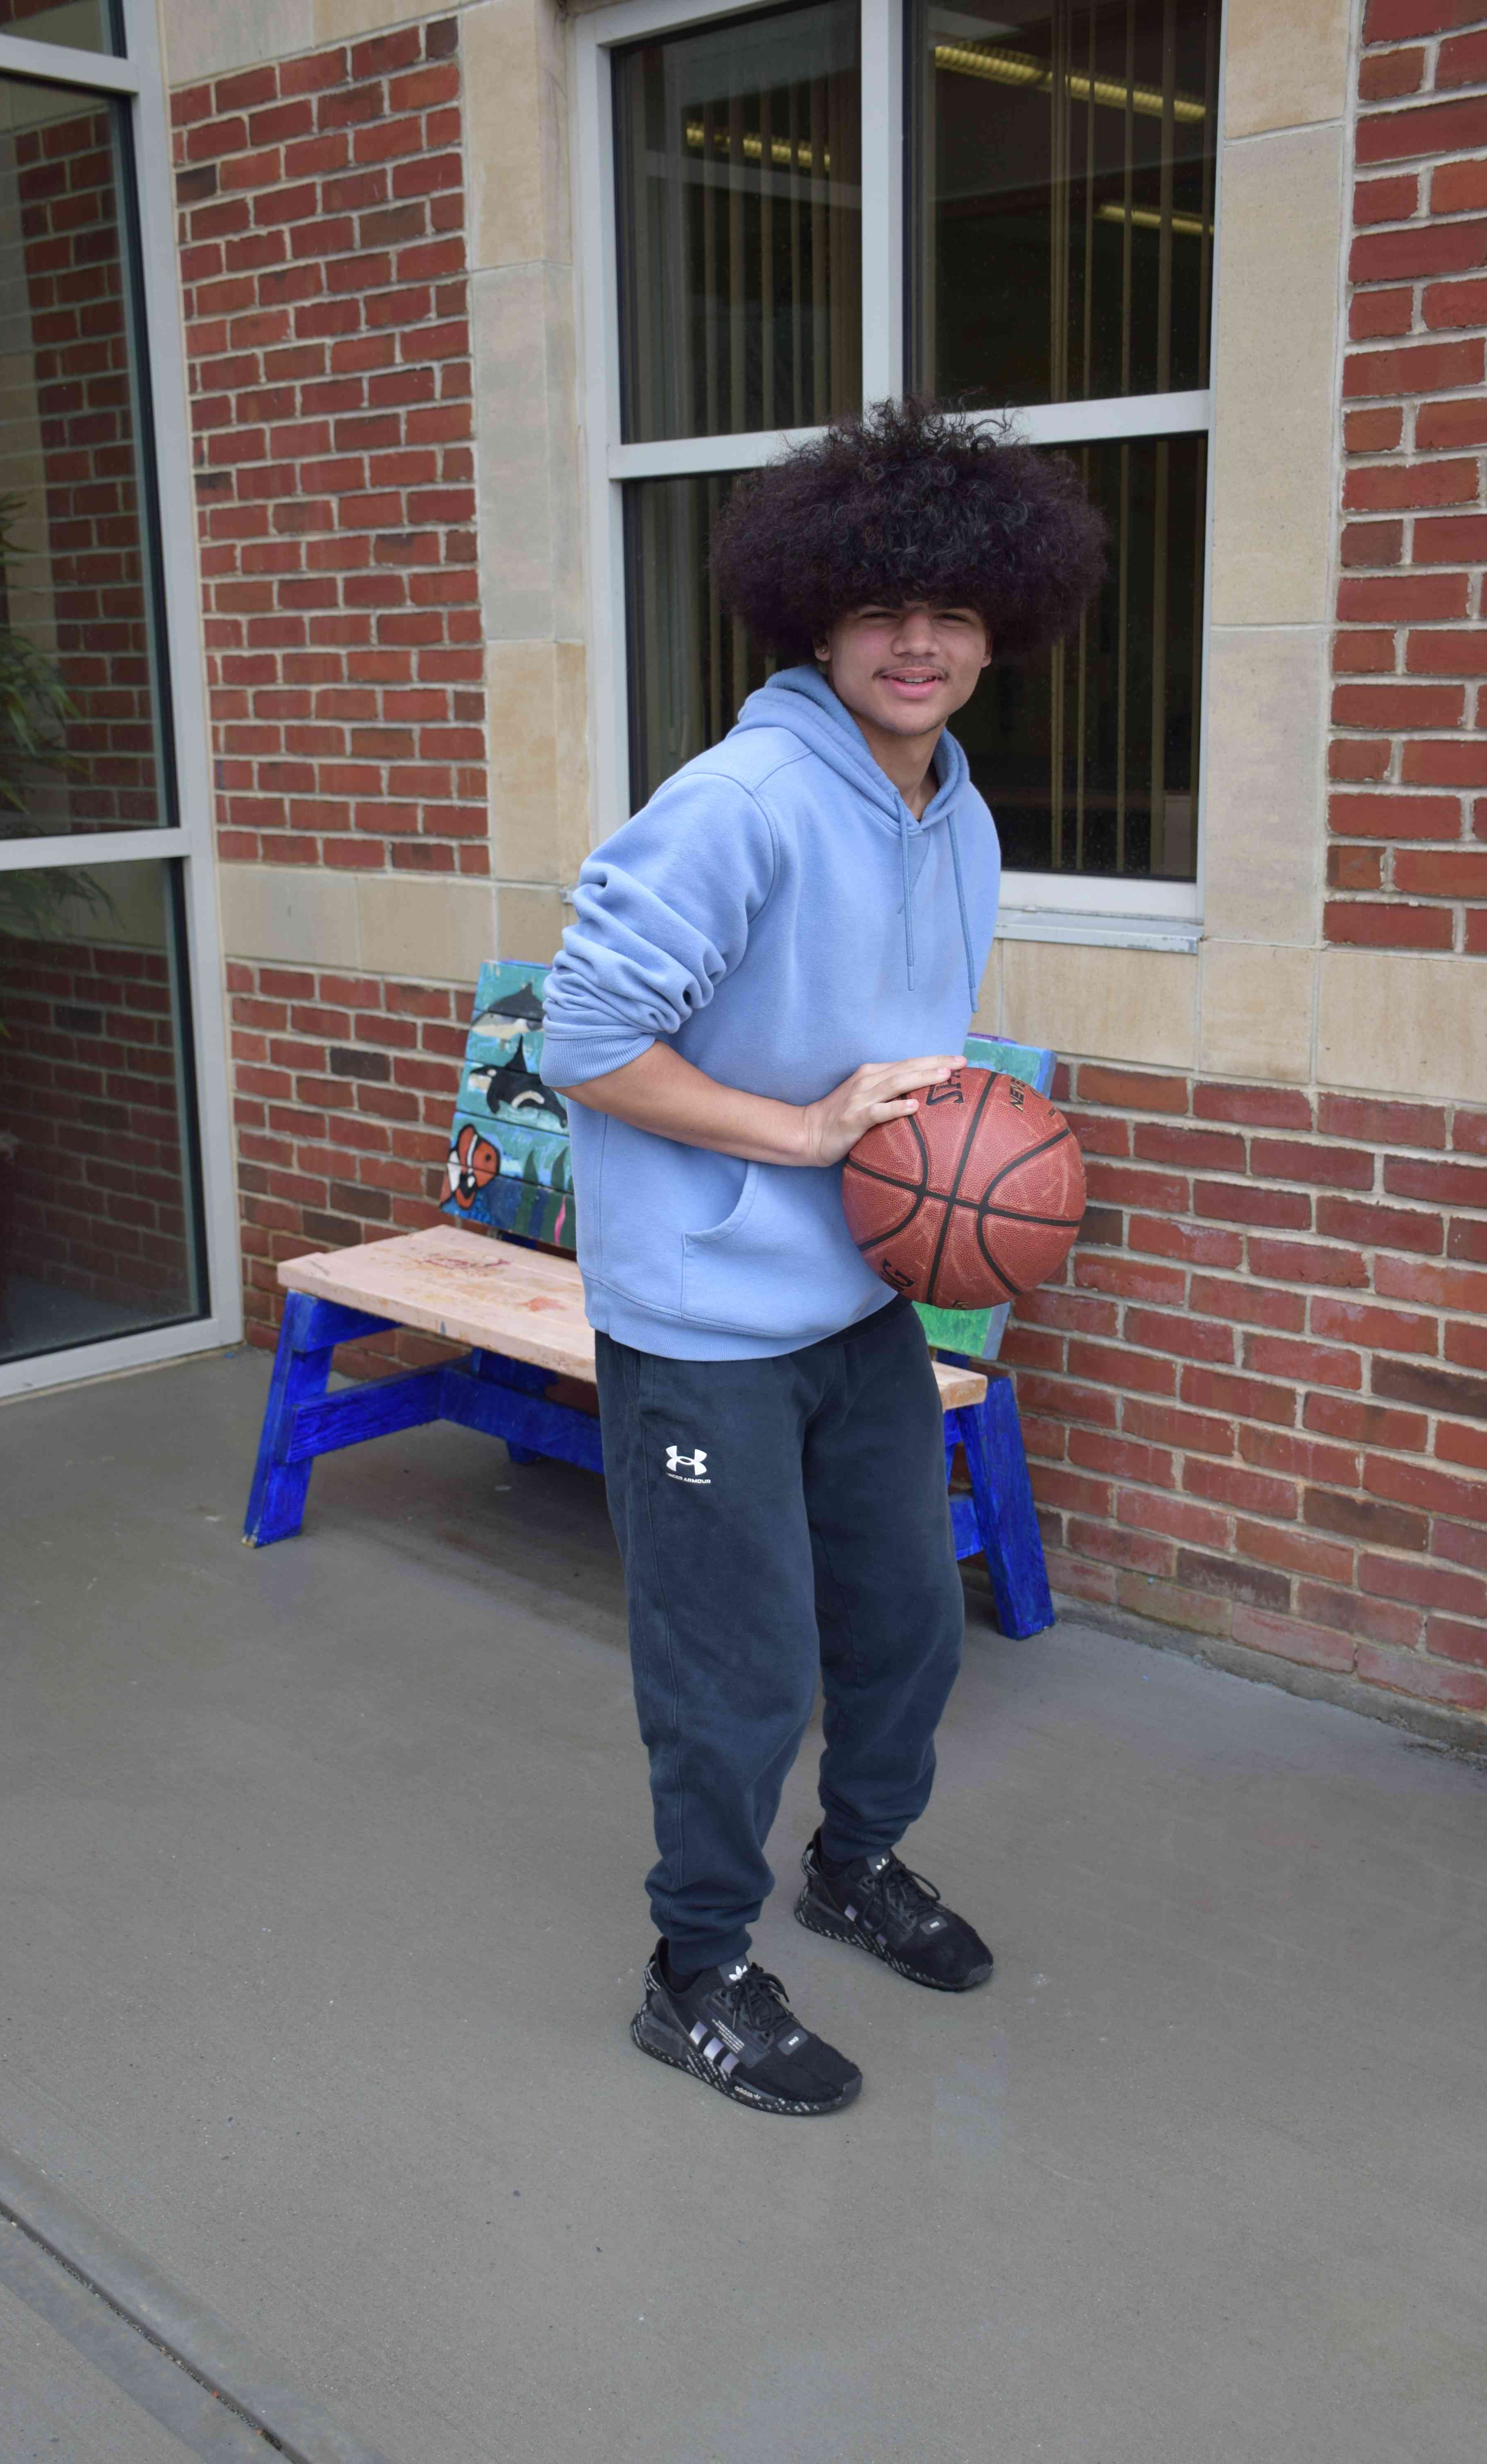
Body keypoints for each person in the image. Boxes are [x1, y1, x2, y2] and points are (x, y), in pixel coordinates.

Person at [540, 399, 1104, 2116]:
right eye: (879, 608)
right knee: (739, 1669)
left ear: (1003, 624)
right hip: (702, 1316)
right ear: (815, 617)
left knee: (908, 1624)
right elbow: (584, 1037)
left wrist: (965, 1174)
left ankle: (853, 1865)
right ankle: (696, 1966)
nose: (917, 641)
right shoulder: (742, 802)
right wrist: (795, 1137)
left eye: (952, 610)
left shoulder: (955, 812)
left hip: (860, 1297)